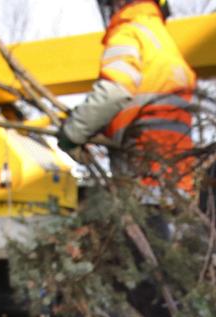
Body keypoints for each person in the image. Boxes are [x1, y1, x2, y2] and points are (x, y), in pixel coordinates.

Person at [57, 0, 197, 194]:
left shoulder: (129, 32)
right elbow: (145, 104)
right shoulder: (163, 43)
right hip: (175, 177)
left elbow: (115, 91)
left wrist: (72, 133)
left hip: (141, 170)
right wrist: (96, 125)